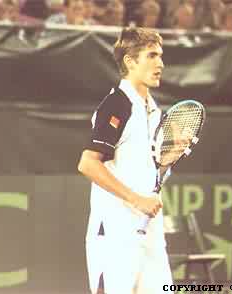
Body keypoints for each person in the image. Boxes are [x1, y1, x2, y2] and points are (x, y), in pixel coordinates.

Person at [77, 27, 173, 294]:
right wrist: (136, 200)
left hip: (150, 230)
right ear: (130, 61)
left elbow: (146, 167)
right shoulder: (117, 105)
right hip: (116, 229)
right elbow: (88, 163)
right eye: (152, 56)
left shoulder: (154, 110)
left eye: (161, 56)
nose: (160, 63)